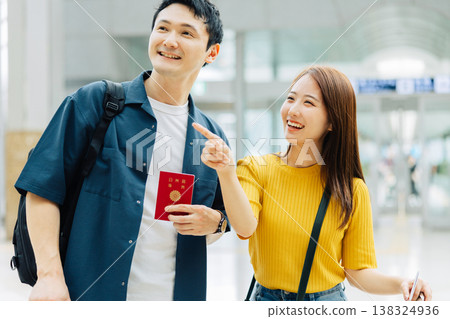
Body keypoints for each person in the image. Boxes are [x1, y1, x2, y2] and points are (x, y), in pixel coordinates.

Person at [15, 0, 229, 301]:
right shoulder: (96, 103)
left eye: (186, 33)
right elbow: (42, 189)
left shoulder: (211, 137)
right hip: (90, 295)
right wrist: (49, 276)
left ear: (212, 52)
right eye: (162, 28)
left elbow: (225, 215)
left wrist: (216, 221)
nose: (169, 40)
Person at [183, 65, 433, 301]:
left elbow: (357, 271)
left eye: (308, 103)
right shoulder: (256, 169)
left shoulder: (351, 189)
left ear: (333, 121)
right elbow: (245, 227)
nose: (292, 110)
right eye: (291, 98)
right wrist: (226, 172)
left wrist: (401, 283)